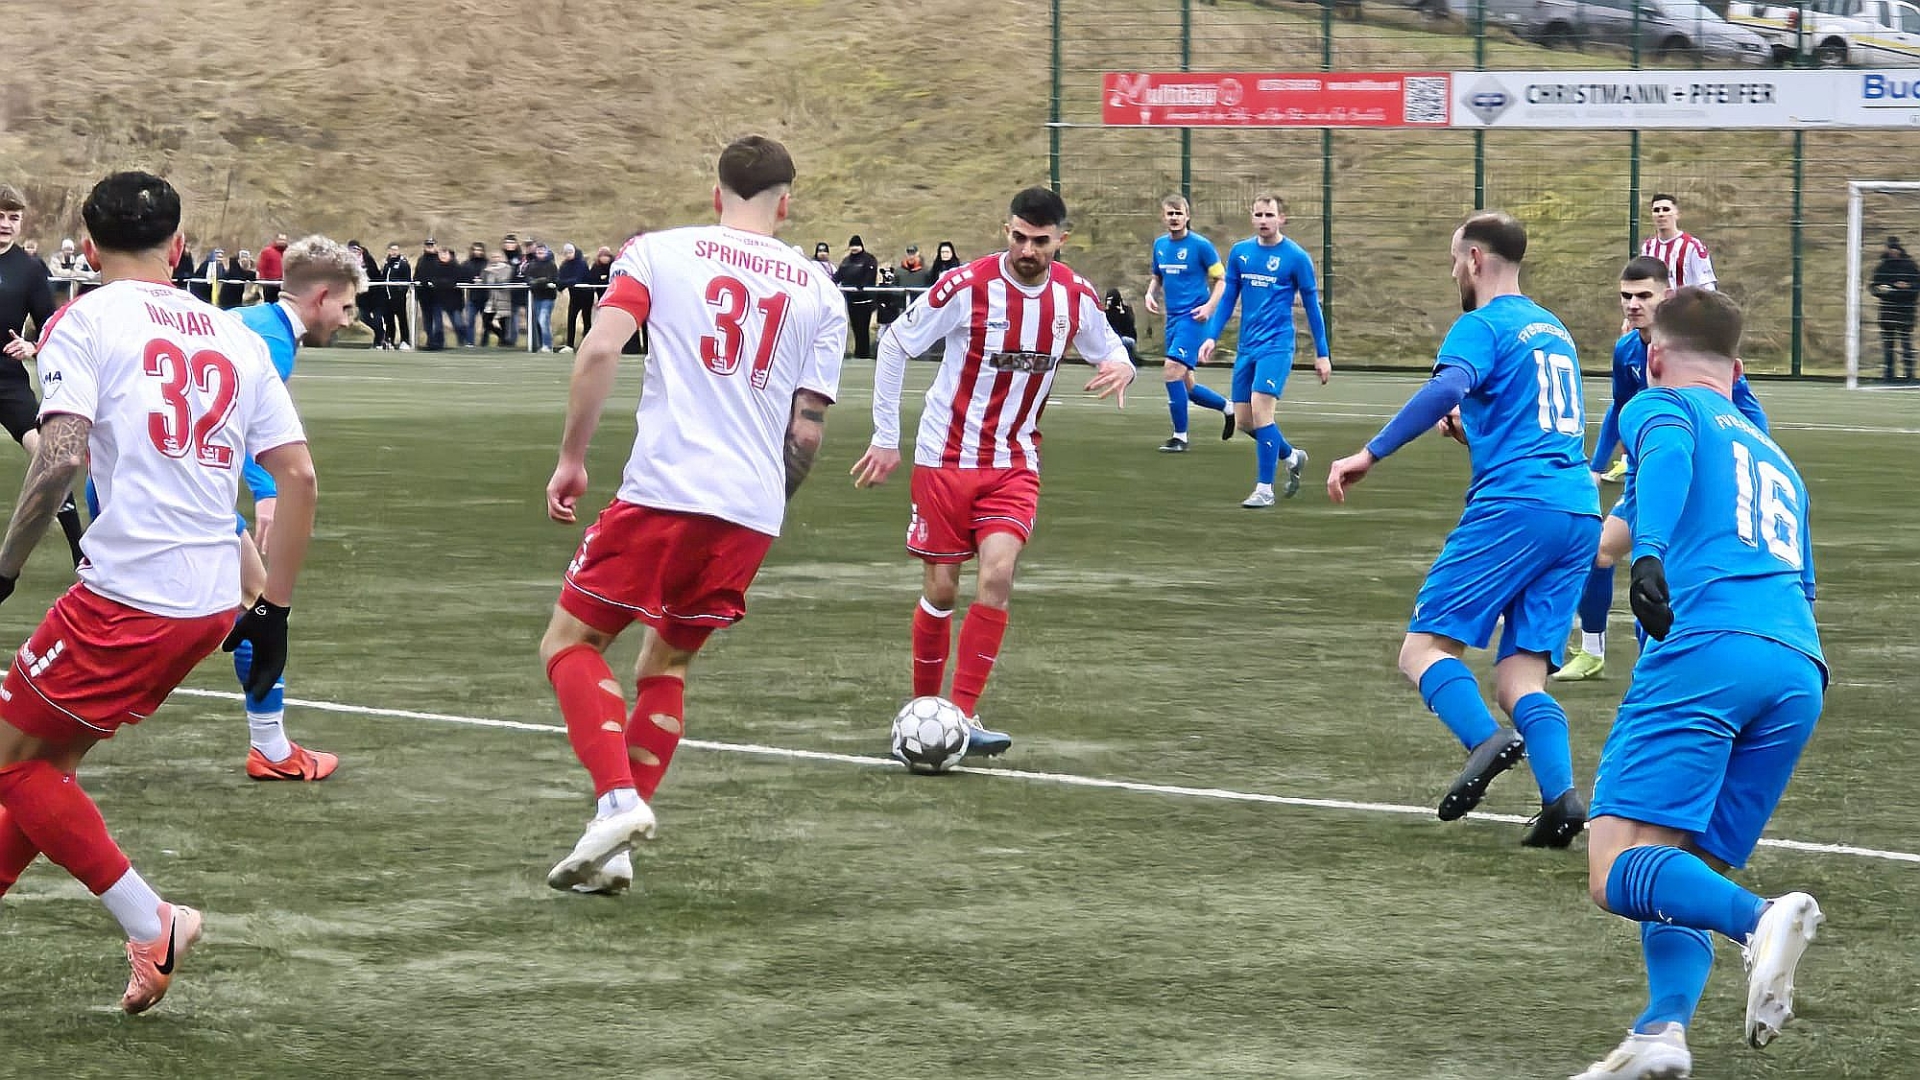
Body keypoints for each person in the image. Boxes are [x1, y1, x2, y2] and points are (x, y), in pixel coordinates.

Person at [0, 171, 318, 1014]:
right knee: (47, 764)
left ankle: (155, 922)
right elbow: (297, 476)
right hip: (209, 600)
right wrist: (273, 608)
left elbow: (60, 456)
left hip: (129, 596)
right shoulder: (236, 335)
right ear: (179, 247)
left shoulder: (83, 319)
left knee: (13, 762)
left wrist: (6, 566)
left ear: (87, 248)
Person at [538, 135, 848, 897]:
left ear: (716, 194)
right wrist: (763, 505)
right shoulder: (821, 289)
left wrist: (572, 458)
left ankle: (617, 802)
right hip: (751, 507)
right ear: (786, 203)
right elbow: (808, 427)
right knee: (666, 665)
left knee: (572, 642)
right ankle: (614, 851)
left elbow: (599, 350)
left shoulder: (659, 251)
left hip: (664, 488)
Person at [1569, 288, 1825, 1080]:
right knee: (1680, 870)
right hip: (1796, 669)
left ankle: (1761, 920)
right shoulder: (1772, 455)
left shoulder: (1659, 403)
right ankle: (1661, 1031)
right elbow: (1804, 583)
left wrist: (1650, 553)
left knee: (1616, 870)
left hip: (1710, 651)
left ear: (1653, 355)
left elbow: (1668, 460)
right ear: (1737, 370)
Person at [1326, 211, 1598, 847]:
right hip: (1577, 509)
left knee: (1422, 651)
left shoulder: (1481, 325)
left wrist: (1369, 454)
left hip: (1516, 507)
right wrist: (1473, 434)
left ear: (1475, 259)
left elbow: (1446, 387)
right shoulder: (1553, 330)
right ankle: (1561, 801)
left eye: (1454, 260)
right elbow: (1534, 426)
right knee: (1520, 679)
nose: (1453, 272)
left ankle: (1484, 742)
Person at [851, 186, 1135, 758]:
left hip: (1013, 461)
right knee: (941, 588)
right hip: (945, 456)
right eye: (1019, 237)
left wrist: (1122, 366)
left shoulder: (1074, 296)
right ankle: (924, 711)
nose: (1027, 250)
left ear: (1061, 240)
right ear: (1007, 231)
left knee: (998, 576)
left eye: (1040, 241)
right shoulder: (965, 286)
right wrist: (885, 437)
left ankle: (960, 715)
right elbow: (895, 344)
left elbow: (1111, 348)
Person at [1556, 257, 1770, 683]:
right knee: (1599, 552)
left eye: (1644, 295)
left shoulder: (1696, 353)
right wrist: (1596, 467)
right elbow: (1619, 408)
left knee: (1664, 566)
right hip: (1644, 479)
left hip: (1694, 476)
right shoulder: (1626, 350)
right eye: (1626, 296)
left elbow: (1750, 414)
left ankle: (1659, 668)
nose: (1633, 304)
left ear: (1666, 296)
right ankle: (1594, 650)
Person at [226, 236, 364, 780]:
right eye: (346, 306)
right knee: (257, 605)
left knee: (243, 605)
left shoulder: (251, 321)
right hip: (175, 494)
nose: (350, 320)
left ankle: (271, 745)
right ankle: (270, 748)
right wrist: (267, 493)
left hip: (142, 481)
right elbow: (245, 424)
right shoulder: (271, 344)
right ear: (321, 296)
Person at [1200, 193, 1331, 506]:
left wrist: (1322, 353)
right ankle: (1292, 456)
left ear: (1282, 218)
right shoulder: (1240, 252)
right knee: (1244, 421)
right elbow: (1229, 298)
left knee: (1261, 412)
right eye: (1258, 214)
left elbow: (1312, 307)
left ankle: (1264, 489)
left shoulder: (1296, 257)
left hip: (1277, 346)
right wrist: (1211, 336)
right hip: (1247, 346)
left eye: (1269, 215)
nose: (1263, 220)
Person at [0, 184, 87, 566]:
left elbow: (51, 325)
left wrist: (33, 346)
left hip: (7, 380)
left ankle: (80, 552)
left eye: (13, 217)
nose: (6, 224)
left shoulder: (29, 268)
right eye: (0, 216)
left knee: (49, 458)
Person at [1145, 194, 1231, 453]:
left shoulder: (1201, 246)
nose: (1174, 218)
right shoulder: (1160, 245)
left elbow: (1222, 280)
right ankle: (1228, 408)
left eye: (1178, 213)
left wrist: (1209, 307)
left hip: (1193, 318)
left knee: (1172, 370)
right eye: (1170, 213)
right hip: (1172, 319)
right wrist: (1150, 293)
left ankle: (1180, 437)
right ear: (1163, 217)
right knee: (1187, 386)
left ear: (1187, 216)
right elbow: (1157, 275)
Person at [1640, 193, 1716, 292]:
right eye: (1656, 210)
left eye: (1666, 209)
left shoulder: (1692, 246)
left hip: (1686, 301)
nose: (1661, 214)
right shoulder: (1648, 247)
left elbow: (1707, 284)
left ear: (1677, 214)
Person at [1869, 235, 1919, 381]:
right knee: (1888, 345)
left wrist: (1907, 286)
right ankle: (1888, 374)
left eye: (1895, 249)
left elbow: (1917, 285)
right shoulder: (1882, 266)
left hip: (1905, 310)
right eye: (1890, 249)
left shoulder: (1910, 266)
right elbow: (1873, 287)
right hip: (1888, 311)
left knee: (1906, 343)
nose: (1893, 252)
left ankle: (1909, 374)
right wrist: (1881, 289)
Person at [835, 235, 880, 359]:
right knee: (855, 328)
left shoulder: (869, 259)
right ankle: (858, 353)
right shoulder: (846, 261)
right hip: (851, 301)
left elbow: (870, 275)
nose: (854, 249)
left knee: (863, 328)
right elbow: (839, 275)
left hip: (865, 300)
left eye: (856, 246)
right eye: (852, 246)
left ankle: (864, 354)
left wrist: (862, 285)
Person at [379, 243, 413, 351]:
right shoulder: (386, 263)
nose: (393, 252)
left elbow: (407, 279)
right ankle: (389, 340)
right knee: (389, 320)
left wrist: (401, 292)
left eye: (395, 250)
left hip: (398, 298)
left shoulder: (403, 263)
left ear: (399, 251)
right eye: (391, 250)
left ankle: (405, 341)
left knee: (402, 319)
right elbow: (383, 278)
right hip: (387, 297)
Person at [1105, 287, 1139, 364]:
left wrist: (1118, 312)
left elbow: (1128, 328)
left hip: (1125, 339)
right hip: (1114, 339)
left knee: (1124, 342)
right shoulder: (1107, 313)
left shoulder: (1125, 310)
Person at [256, 233, 288, 303]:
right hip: (270, 285)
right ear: (276, 240)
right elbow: (261, 267)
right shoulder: (267, 252)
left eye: (284, 240)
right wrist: (263, 281)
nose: (282, 242)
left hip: (284, 285)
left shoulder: (288, 252)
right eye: (280, 240)